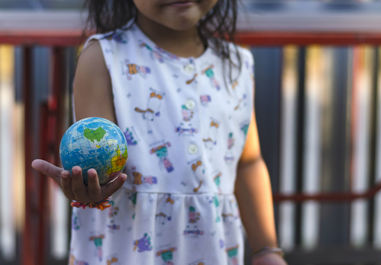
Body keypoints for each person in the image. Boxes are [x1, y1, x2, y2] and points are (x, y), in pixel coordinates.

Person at [32, 0, 287, 264]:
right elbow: (97, 162)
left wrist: (266, 249)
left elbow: (247, 163)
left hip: (210, 250)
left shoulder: (236, 64)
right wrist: (89, 187)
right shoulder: (104, 57)